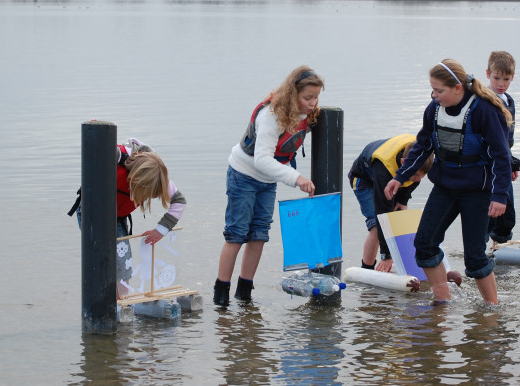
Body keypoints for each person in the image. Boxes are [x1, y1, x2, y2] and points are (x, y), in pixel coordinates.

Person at [384, 59, 513, 305]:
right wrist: (399, 178)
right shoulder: (433, 110)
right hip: (445, 187)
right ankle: (442, 300)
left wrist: (499, 195)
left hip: (478, 191)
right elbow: (422, 146)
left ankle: (493, 310)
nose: (434, 95)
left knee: (475, 258)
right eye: (432, 90)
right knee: (424, 245)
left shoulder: (484, 110)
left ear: (457, 88)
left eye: (439, 90)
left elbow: (501, 156)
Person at [214, 66, 324, 306]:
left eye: (316, 97)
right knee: (236, 234)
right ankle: (220, 294)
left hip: (267, 180)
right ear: (292, 94)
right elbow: (262, 159)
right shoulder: (271, 116)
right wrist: (297, 178)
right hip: (243, 175)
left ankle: (244, 293)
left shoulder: (307, 113)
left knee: (260, 234)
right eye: (307, 98)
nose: (313, 103)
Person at [69, 137, 187, 296]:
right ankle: (102, 301)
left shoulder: (158, 178)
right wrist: (96, 132)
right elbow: (99, 146)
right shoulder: (118, 156)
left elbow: (179, 201)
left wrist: (160, 230)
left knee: (123, 264)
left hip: (118, 215)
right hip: (93, 212)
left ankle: (122, 302)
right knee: (102, 258)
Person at [348, 135, 434, 272]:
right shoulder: (383, 170)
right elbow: (382, 213)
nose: (418, 180)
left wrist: (402, 200)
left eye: (421, 177)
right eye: (416, 175)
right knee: (377, 226)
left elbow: (413, 181)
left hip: (395, 178)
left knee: (399, 220)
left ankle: (407, 265)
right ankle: (367, 269)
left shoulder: (421, 157)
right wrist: (386, 255)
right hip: (364, 179)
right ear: (403, 161)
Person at [485, 51, 520, 248]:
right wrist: (515, 163)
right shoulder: (485, 102)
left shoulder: (509, 101)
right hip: (487, 166)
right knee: (490, 212)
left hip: (504, 162)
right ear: (488, 74)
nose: (501, 84)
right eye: (496, 78)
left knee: (507, 215)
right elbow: (490, 141)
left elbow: (506, 140)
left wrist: (510, 162)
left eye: (506, 79)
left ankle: (498, 249)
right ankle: (480, 250)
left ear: (512, 77)